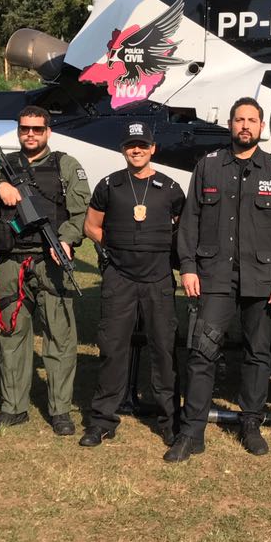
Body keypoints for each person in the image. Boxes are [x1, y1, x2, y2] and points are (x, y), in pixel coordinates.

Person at [171, 97, 271, 462]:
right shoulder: (209, 165)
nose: (245, 126)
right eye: (239, 119)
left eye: (251, 120)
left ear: (261, 127)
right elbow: (191, 220)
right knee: (202, 351)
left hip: (262, 280)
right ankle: (192, 431)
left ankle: (251, 424)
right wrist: (188, 266)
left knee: (257, 354)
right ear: (230, 124)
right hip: (215, 277)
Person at [0, 105, 89, 436]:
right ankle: (13, 408)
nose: (30, 134)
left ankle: (60, 410)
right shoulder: (0, 167)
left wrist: (66, 240)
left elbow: (81, 213)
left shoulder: (66, 165)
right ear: (19, 131)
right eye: (25, 129)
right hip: (11, 264)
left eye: (37, 129)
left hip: (51, 263)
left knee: (60, 338)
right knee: (12, 336)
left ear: (48, 131)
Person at [80, 121, 185, 447]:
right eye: (130, 145)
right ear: (123, 149)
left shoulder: (170, 188)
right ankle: (102, 420)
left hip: (158, 280)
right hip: (120, 279)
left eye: (142, 145)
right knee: (113, 349)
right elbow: (91, 225)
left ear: (153, 148)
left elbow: (182, 231)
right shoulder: (109, 185)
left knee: (164, 350)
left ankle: (170, 421)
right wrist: (113, 248)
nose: (136, 150)